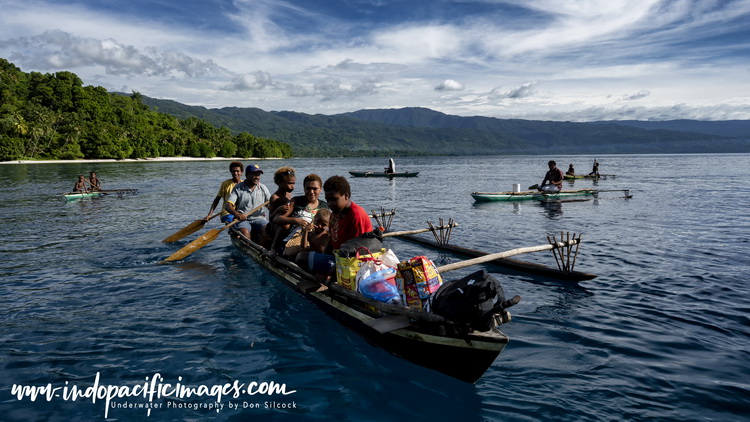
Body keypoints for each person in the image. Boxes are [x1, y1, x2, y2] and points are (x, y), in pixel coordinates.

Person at [302, 175, 373, 278]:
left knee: (303, 258)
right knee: (302, 257)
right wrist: (322, 264)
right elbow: (331, 242)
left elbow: (357, 253)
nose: (330, 204)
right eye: (328, 200)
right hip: (338, 259)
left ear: (346, 196)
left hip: (352, 263)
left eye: (334, 199)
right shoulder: (335, 213)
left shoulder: (356, 216)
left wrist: (329, 273)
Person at [268, 173, 329, 256]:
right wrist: (297, 220)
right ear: (304, 189)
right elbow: (276, 219)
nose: (311, 192)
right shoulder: (295, 201)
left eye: (315, 189)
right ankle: (274, 247)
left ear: (320, 189)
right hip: (293, 241)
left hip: (313, 242)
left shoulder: (325, 206)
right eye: (308, 188)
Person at [225, 164, 271, 243]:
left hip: (259, 218)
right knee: (245, 233)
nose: (257, 177)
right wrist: (237, 214)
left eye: (258, 175)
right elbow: (228, 206)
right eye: (254, 174)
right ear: (247, 175)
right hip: (243, 220)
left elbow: (270, 204)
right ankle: (249, 247)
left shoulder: (263, 188)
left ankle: (261, 250)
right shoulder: (238, 188)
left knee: (267, 230)